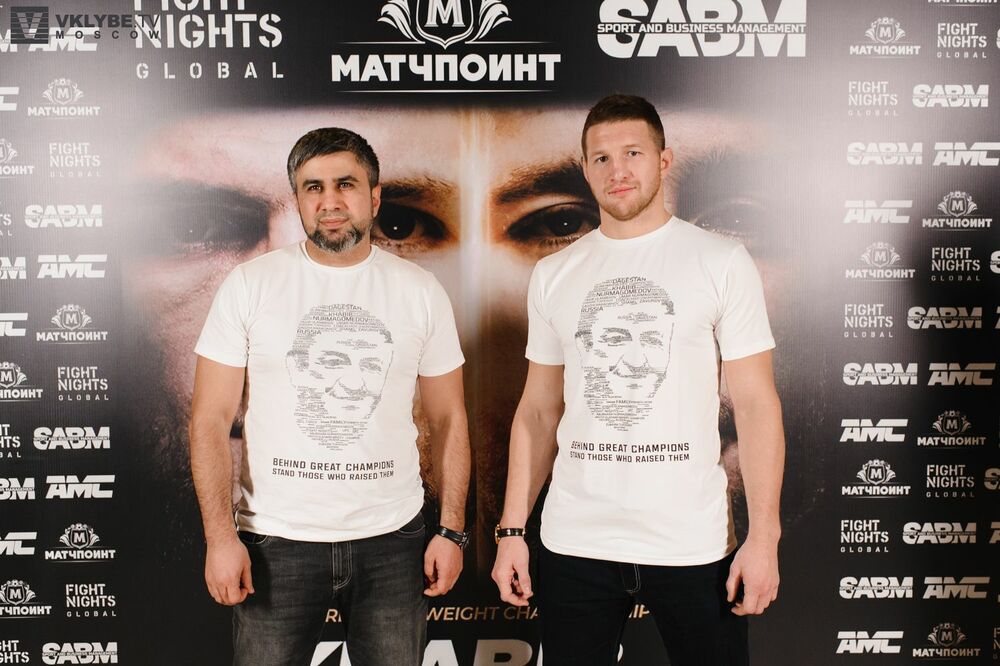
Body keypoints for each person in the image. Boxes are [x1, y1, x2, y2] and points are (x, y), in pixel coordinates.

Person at [491, 94, 786, 665]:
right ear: (585, 170)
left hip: (691, 543)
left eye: (633, 153)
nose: (617, 170)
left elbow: (755, 405)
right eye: (601, 158)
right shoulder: (553, 274)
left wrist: (764, 537)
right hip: (574, 541)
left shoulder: (720, 261)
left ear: (663, 160)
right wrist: (511, 532)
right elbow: (537, 411)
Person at [188, 127, 471, 666]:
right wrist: (220, 539)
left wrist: (452, 531)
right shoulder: (250, 285)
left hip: (393, 542)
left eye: (346, 184)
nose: (330, 201)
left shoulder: (419, 291)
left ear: (375, 196)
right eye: (313, 187)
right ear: (297, 199)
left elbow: (450, 418)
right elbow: (209, 418)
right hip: (275, 542)